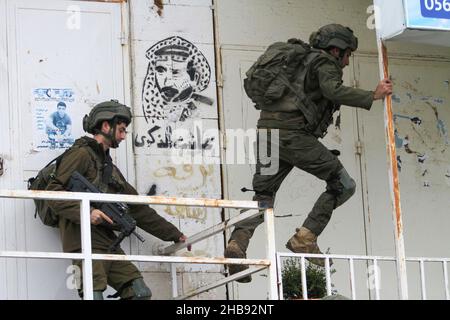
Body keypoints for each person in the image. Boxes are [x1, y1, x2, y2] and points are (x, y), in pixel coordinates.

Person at [224, 24, 393, 282]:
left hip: (267, 134)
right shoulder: (324, 62)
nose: (347, 61)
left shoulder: (296, 62)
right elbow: (332, 91)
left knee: (264, 195)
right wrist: (374, 95)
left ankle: (237, 244)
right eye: (348, 54)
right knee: (343, 185)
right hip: (294, 137)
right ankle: (305, 238)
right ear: (336, 49)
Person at [47, 100, 189, 299]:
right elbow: (52, 193)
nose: (123, 136)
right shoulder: (80, 154)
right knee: (93, 294)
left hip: (107, 241)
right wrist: (88, 213)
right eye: (121, 130)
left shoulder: (108, 166)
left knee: (139, 292)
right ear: (106, 126)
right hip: (83, 240)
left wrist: (174, 234)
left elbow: (137, 208)